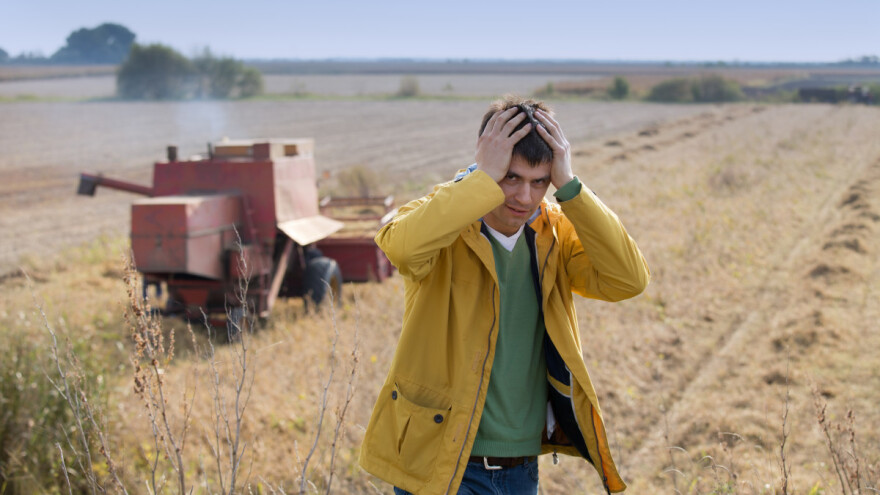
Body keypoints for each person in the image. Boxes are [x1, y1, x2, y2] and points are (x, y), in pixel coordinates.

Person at [358, 96, 650, 494]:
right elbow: (402, 248)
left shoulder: (556, 235)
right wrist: (480, 179)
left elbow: (628, 280)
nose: (525, 198)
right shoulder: (443, 223)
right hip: (439, 463)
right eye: (510, 177)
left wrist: (571, 188)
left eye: (539, 182)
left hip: (520, 469)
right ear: (485, 162)